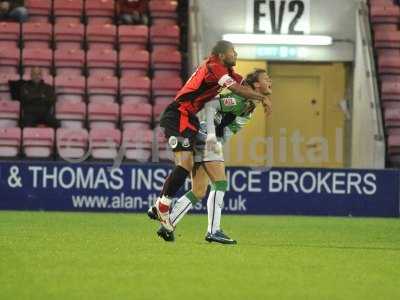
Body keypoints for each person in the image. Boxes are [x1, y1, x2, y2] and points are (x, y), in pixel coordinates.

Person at [148, 41, 272, 240]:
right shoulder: (229, 85)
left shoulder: (246, 102)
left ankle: (167, 222)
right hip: (201, 132)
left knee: (198, 190)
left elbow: (230, 119)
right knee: (219, 183)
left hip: (202, 132)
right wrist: (211, 136)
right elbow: (214, 105)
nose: (270, 82)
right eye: (267, 79)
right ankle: (212, 231)